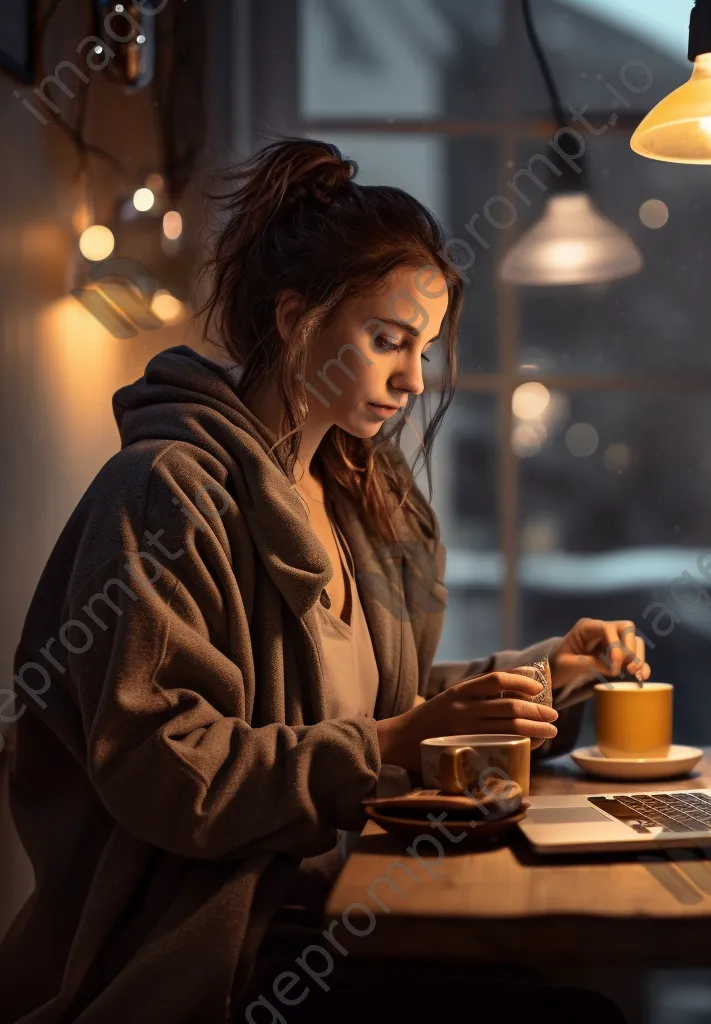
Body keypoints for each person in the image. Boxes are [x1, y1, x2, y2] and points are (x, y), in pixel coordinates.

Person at [0, 139, 649, 1023]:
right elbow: (165, 768)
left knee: (573, 995)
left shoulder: (351, 499)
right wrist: (393, 743)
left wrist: (546, 676)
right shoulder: (166, 492)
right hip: (215, 958)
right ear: (295, 317)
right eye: (388, 340)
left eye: (421, 349)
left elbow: (385, 708)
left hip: (333, 918)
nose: (413, 379)